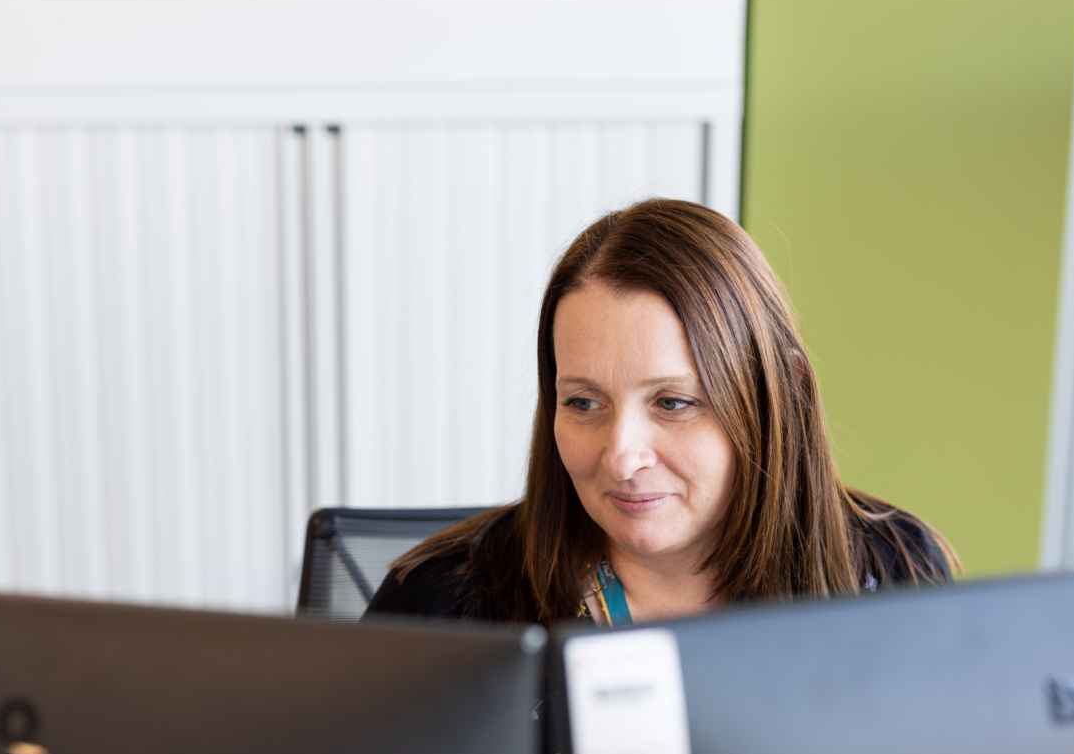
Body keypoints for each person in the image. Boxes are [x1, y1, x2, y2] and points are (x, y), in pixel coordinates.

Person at [364, 199, 956, 627]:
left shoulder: (896, 573)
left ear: (782, 402)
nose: (621, 456)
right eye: (583, 403)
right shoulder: (441, 604)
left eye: (673, 403)